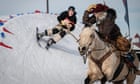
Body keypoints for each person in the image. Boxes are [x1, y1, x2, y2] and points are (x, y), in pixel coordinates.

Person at [83, 3, 136, 70]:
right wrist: (87, 11)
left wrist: (94, 32)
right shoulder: (97, 17)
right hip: (105, 38)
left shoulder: (109, 18)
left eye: (96, 13)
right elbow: (85, 22)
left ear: (102, 13)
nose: (94, 14)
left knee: (122, 51)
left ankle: (132, 66)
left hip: (115, 38)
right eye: (94, 13)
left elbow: (104, 33)